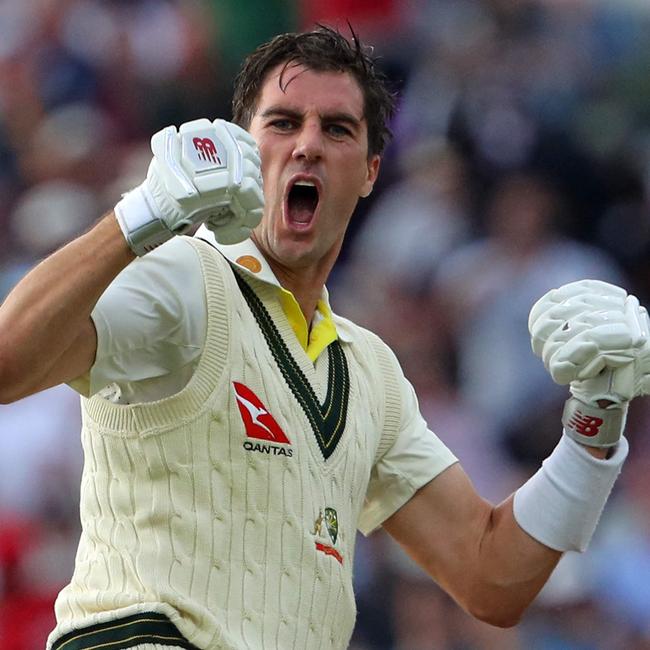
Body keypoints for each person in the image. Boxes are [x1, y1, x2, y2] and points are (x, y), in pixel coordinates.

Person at [0, 26, 648, 650]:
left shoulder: (370, 372)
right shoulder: (179, 276)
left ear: (370, 172)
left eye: (336, 128)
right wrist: (140, 214)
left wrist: (596, 416)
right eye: (282, 123)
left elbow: (491, 578)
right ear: (243, 148)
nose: (307, 145)